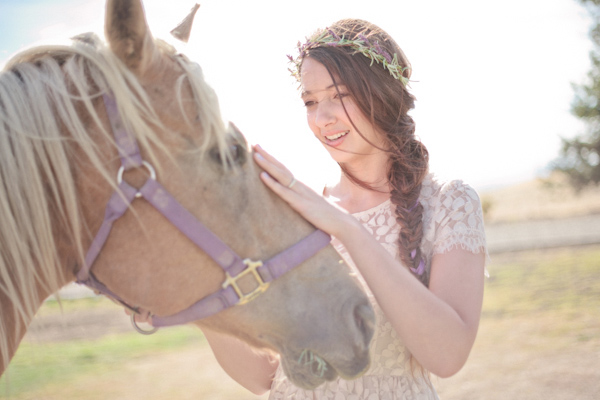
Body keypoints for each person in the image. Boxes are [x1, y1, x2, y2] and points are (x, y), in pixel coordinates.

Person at [137, 18, 487, 399]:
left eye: (339, 95)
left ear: (383, 94)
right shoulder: (299, 210)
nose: (323, 118)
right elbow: (267, 378)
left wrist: (346, 229)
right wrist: (194, 302)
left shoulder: (449, 202)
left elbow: (447, 356)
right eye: (310, 101)